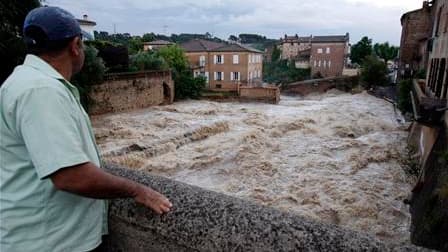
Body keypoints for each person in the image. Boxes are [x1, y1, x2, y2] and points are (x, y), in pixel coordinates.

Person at [0, 6, 172, 252]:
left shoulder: (24, 81)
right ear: (75, 45)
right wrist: (138, 190)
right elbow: (70, 176)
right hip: (50, 241)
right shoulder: (41, 92)